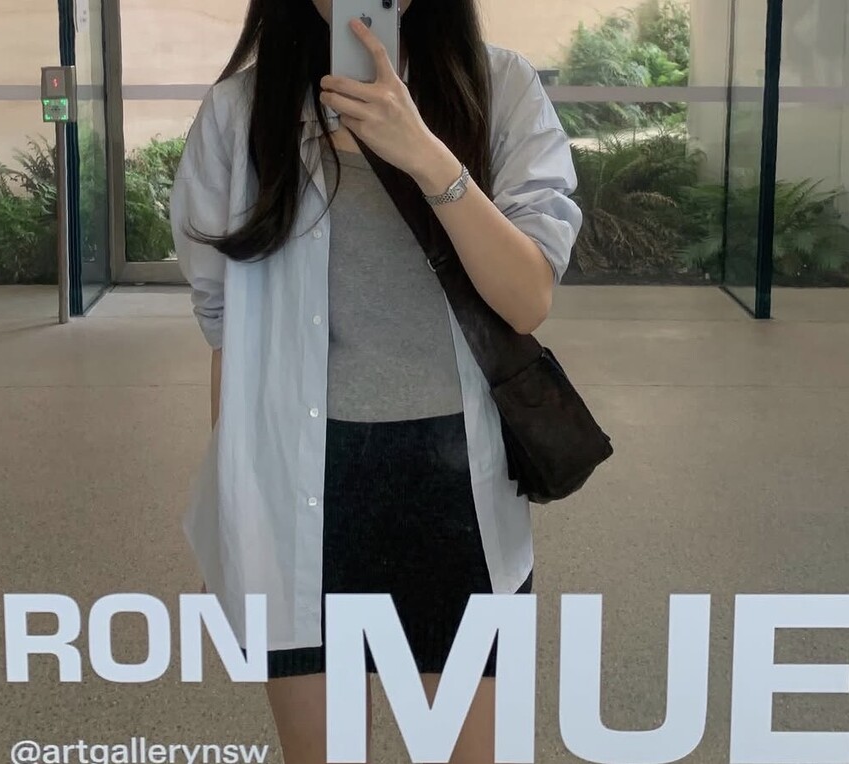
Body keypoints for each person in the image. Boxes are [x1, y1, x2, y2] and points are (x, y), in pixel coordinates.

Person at [171, 0, 582, 761]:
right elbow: (227, 332)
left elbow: (528, 298)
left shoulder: (499, 88)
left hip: (453, 491)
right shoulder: (240, 112)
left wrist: (424, 154)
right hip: (296, 491)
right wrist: (236, 513)